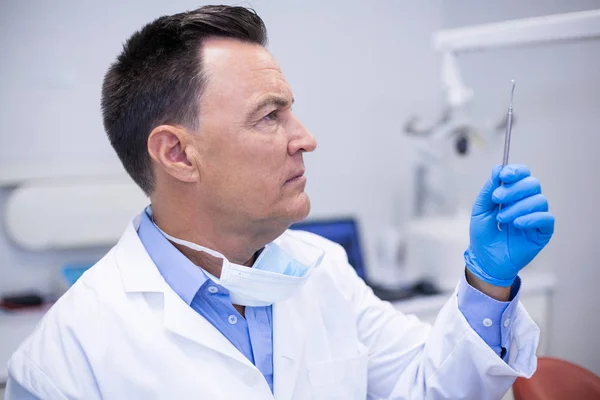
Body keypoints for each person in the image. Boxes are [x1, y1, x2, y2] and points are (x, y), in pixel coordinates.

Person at [6, 5, 555, 400]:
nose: (305, 138)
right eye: (270, 116)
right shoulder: (68, 357)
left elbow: (428, 387)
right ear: (178, 153)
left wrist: (486, 280)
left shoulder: (321, 269)